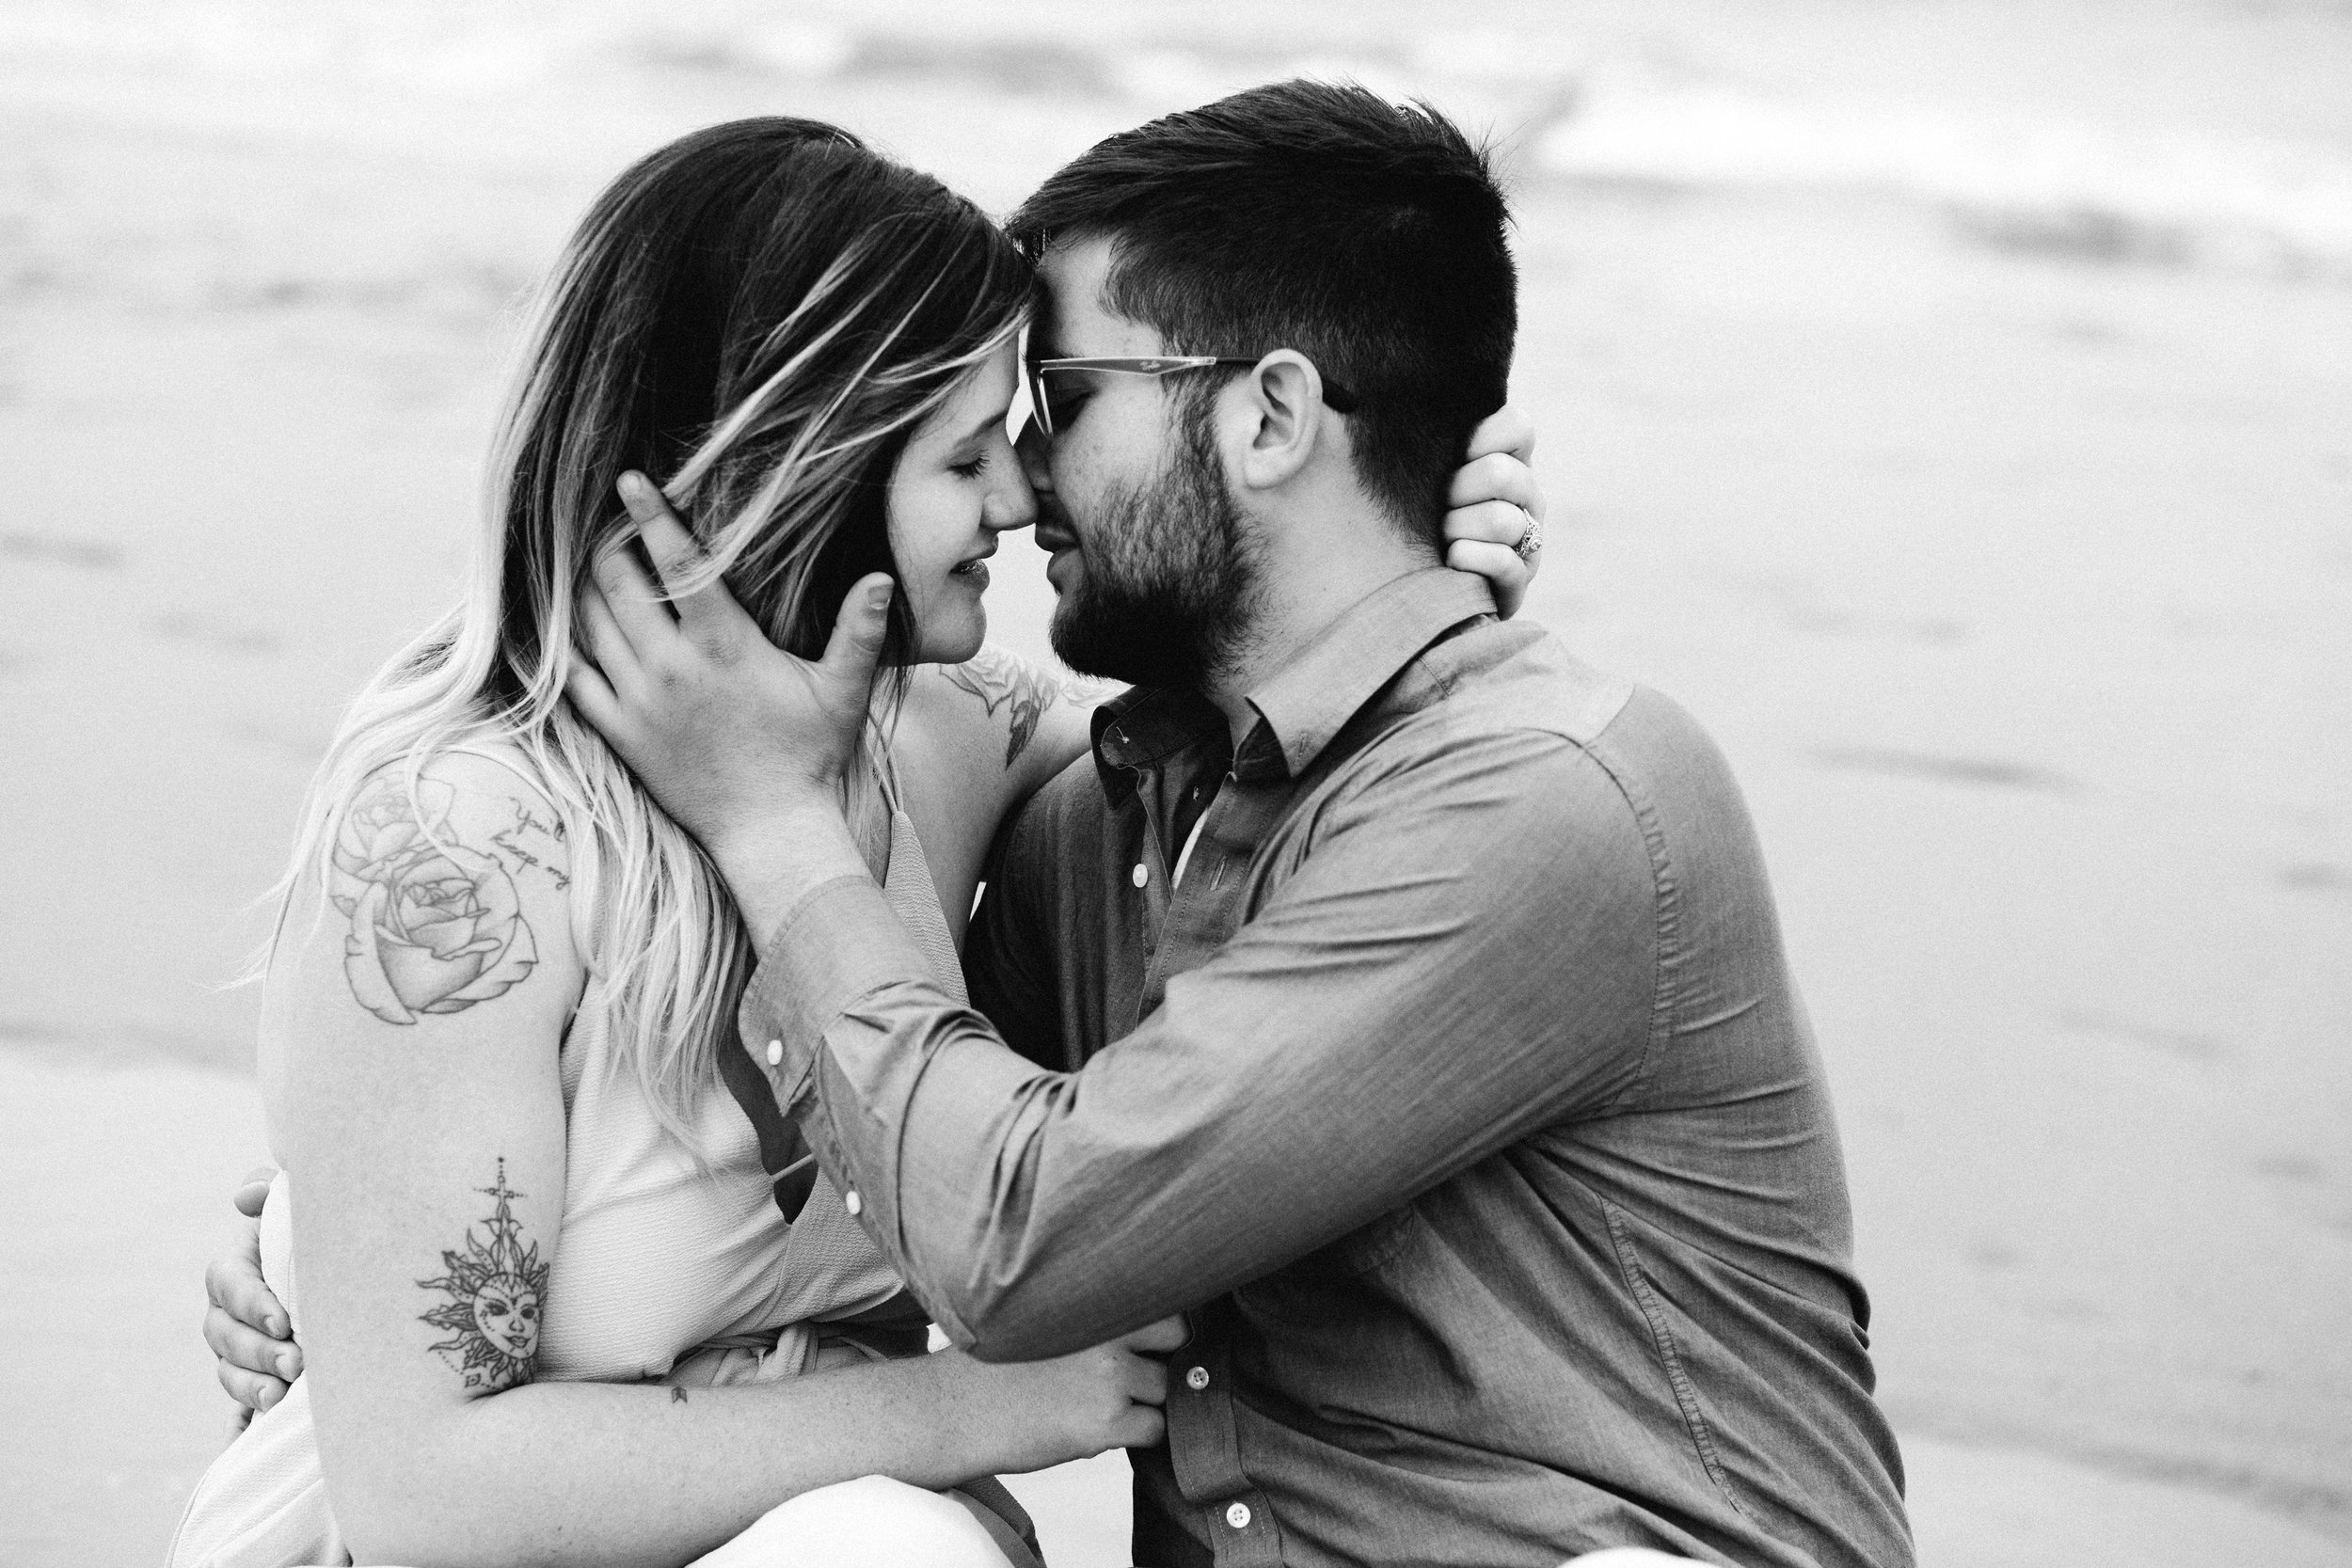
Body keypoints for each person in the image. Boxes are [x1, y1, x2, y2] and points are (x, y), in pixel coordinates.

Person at [554, 83, 1916, 1568]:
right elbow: (859, 1119)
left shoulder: (1546, 797)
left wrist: (771, 819)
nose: (1020, 480)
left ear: (1269, 417)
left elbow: (1018, 1240)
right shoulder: (1106, 830)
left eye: (1065, 402)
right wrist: (393, 1216)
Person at [177, 112, 1543, 1568]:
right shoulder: (466, 841)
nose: (1022, 496)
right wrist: (963, 1410)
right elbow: (427, 1502)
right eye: (964, 458)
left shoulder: (947, 739)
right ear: (811, 465)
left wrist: (1405, 556)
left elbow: (1275, 783)